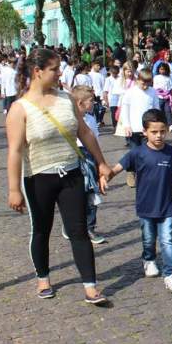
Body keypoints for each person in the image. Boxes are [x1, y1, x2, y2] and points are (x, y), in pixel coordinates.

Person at [6, 48, 111, 305]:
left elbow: (85, 133)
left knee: (79, 230)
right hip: (39, 178)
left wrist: (102, 163)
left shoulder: (66, 99)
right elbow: (15, 151)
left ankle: (90, 286)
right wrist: (14, 189)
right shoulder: (20, 109)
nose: (59, 73)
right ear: (37, 72)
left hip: (71, 174)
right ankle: (43, 278)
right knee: (42, 230)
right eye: (54, 69)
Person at [110, 108, 172, 293]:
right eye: (154, 132)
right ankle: (149, 259)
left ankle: (170, 274)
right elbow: (116, 169)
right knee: (148, 239)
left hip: (166, 206)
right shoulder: (136, 153)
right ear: (145, 132)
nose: (159, 135)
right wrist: (106, 177)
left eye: (162, 131)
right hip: (145, 206)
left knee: (167, 240)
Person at [70, 85, 107, 245]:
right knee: (77, 195)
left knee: (92, 192)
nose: (93, 103)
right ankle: (74, 225)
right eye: (90, 101)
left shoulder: (91, 120)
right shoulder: (70, 120)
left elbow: (95, 142)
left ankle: (89, 227)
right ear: (79, 103)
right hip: (75, 158)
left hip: (90, 159)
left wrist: (100, 163)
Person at [153, 62, 172, 131]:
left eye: (163, 69)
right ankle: (160, 123)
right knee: (159, 110)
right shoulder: (156, 77)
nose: (162, 71)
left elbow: (171, 87)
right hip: (159, 97)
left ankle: (170, 124)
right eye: (161, 69)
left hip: (167, 97)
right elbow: (155, 87)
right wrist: (159, 92)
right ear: (158, 70)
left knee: (168, 110)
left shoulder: (168, 78)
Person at [89, 60, 106, 126]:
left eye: (99, 66)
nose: (99, 67)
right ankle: (98, 121)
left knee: (103, 108)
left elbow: (104, 85)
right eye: (97, 65)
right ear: (93, 66)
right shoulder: (90, 75)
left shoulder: (101, 75)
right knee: (95, 108)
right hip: (93, 94)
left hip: (100, 94)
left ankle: (99, 120)